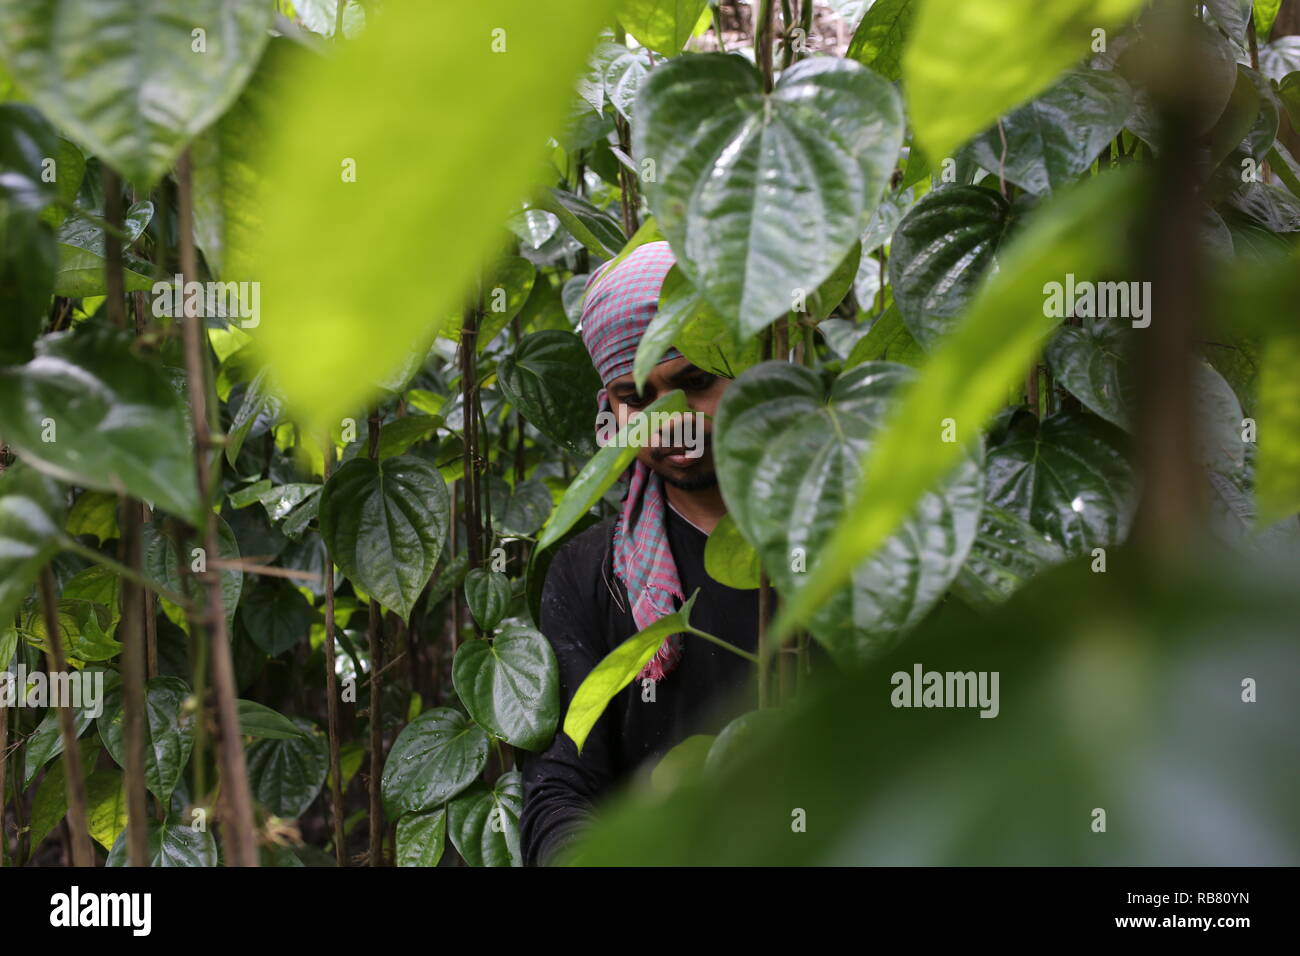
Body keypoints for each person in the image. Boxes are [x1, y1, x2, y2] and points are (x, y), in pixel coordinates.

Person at [519, 241, 761, 866]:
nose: (671, 420)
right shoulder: (590, 574)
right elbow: (563, 785)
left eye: (696, 383)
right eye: (637, 397)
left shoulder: (850, 543)